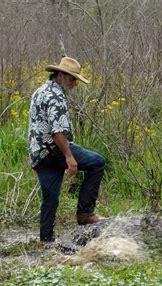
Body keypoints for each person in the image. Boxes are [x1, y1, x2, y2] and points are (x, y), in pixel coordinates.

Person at [28, 56, 106, 242]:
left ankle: (46, 240)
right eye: (72, 79)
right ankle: (85, 213)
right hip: (54, 150)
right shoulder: (56, 97)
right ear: (61, 75)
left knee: (51, 198)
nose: (74, 84)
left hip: (38, 153)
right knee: (97, 162)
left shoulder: (40, 91)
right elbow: (57, 132)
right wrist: (69, 157)